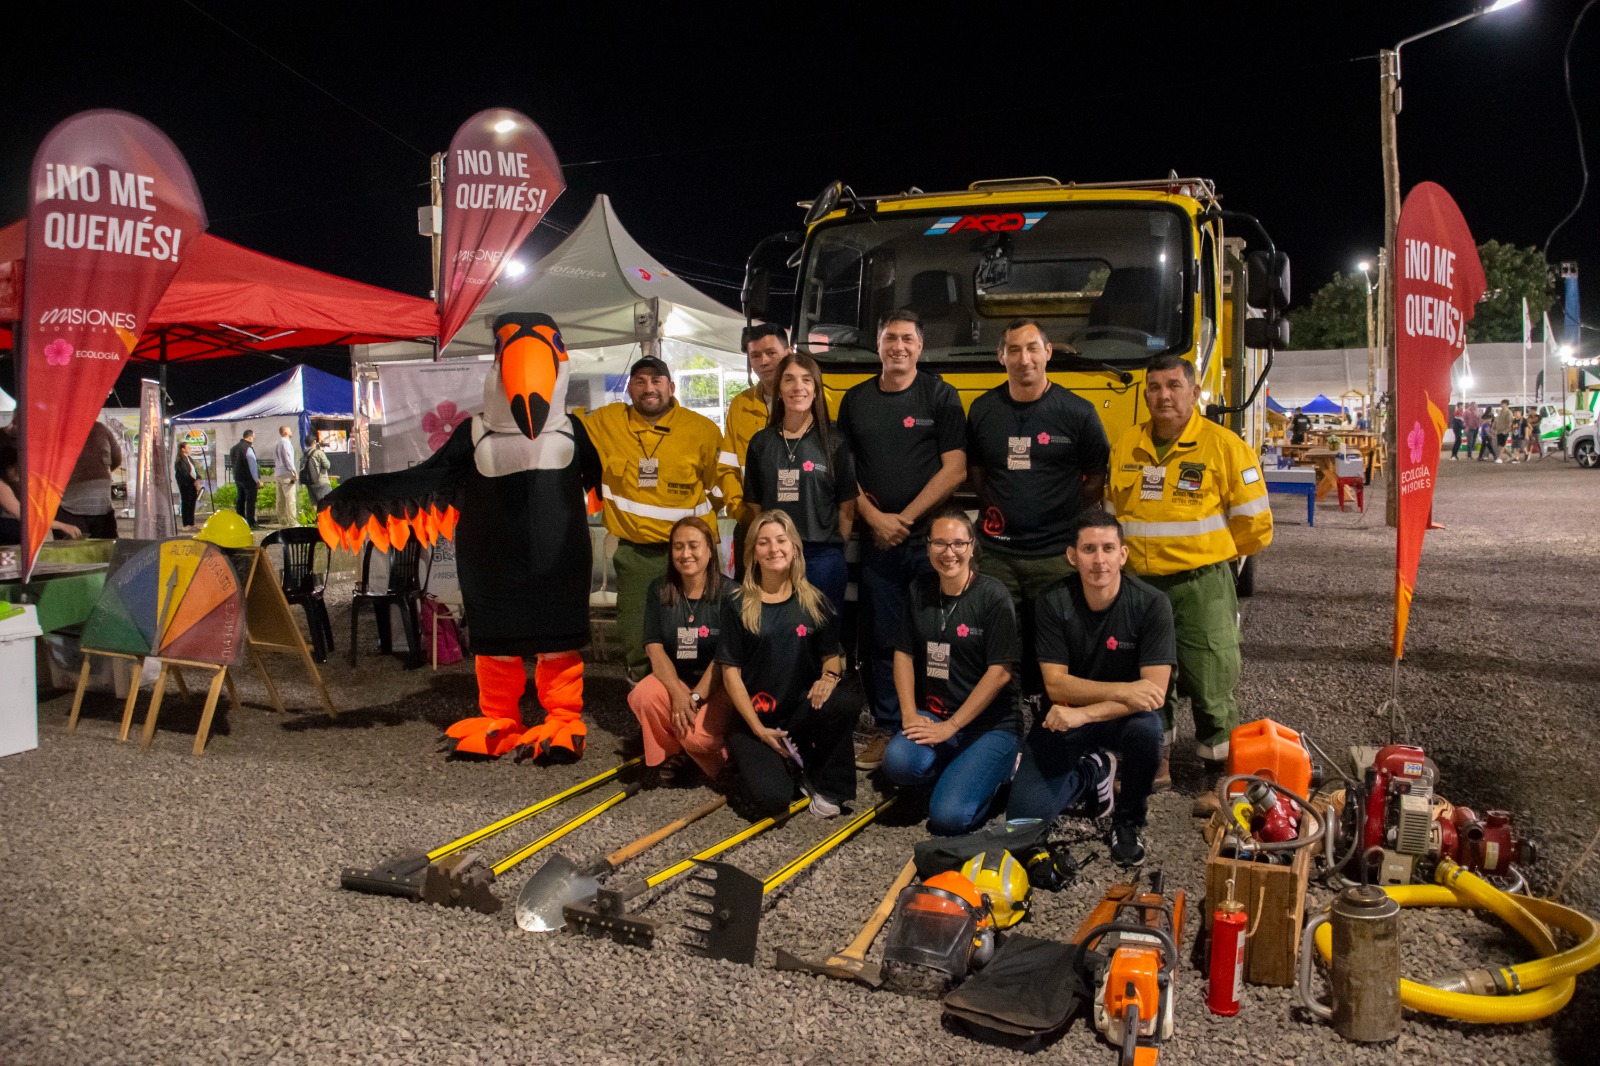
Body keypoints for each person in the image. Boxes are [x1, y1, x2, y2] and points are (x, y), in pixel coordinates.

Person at [1107, 353, 1272, 785]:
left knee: (1211, 676)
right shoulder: (1127, 445)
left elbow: (1255, 526)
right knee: (1147, 676)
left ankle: (1220, 775)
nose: (1163, 396)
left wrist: (1209, 555)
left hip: (1202, 584)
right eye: (1155, 387)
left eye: (1173, 386)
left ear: (1195, 392)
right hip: (1140, 585)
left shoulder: (1225, 448)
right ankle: (1155, 762)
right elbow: (1115, 511)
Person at [1008, 510, 1175, 868]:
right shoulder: (1053, 602)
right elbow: (1055, 684)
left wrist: (1083, 712)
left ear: (1123, 554)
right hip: (1062, 714)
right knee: (1021, 821)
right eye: (1088, 549)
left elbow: (1153, 693)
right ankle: (1093, 771)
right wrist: (1127, 691)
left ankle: (1128, 822)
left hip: (1097, 716)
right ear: (1072, 556)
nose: (1099, 560)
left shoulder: (1151, 604)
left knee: (1147, 731)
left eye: (1107, 548)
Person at [837, 309, 967, 770]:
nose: (898, 346)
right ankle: (889, 727)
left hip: (933, 546)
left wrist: (905, 520)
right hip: (880, 544)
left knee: (942, 633)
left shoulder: (941, 396)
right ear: (878, 344)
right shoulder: (854, 401)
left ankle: (946, 725)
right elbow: (844, 471)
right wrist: (875, 519)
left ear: (920, 346)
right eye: (890, 337)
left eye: (907, 339)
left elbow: (955, 468)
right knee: (883, 638)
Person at [967, 318, 1109, 705]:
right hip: (997, 555)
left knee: (1058, 651)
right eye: (1014, 350)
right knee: (999, 651)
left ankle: (1054, 732)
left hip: (1056, 556)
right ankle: (1003, 727)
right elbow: (977, 473)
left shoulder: (1078, 412)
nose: (1023, 358)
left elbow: (1096, 477)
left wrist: (1057, 511)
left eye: (1032, 348)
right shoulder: (983, 410)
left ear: (1048, 353)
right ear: (1001, 357)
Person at [882, 511, 1023, 835]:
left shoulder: (993, 596)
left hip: (989, 726)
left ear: (972, 547)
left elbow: (1000, 673)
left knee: (948, 818)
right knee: (898, 763)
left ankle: (1002, 769)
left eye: (959, 543)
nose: (949, 552)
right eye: (940, 543)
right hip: (936, 715)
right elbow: (903, 653)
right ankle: (958, 768)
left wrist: (953, 726)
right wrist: (907, 714)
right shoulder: (920, 590)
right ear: (928, 547)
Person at [585, 356, 723, 682]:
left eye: (656, 381)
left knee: (693, 630)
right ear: (629, 388)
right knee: (636, 632)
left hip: (689, 554)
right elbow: (561, 427)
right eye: (641, 381)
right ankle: (645, 695)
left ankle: (694, 692)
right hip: (635, 554)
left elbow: (719, 488)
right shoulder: (607, 422)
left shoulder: (701, 430)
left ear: (671, 387)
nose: (649, 388)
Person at [717, 510, 856, 819]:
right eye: (763, 543)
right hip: (754, 721)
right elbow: (730, 675)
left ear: (794, 548)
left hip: (799, 717)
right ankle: (771, 763)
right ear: (753, 553)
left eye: (781, 540)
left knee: (844, 697)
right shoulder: (737, 603)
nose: (773, 549)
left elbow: (831, 657)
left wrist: (829, 676)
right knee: (774, 798)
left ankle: (829, 785)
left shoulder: (815, 602)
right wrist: (757, 728)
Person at [742, 352, 856, 616]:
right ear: (779, 390)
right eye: (789, 379)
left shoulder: (835, 442)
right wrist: (773, 547)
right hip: (775, 555)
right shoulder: (761, 443)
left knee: (823, 639)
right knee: (778, 632)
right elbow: (755, 505)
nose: (798, 387)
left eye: (806, 380)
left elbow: (847, 508)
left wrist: (833, 547)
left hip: (822, 557)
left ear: (816, 390)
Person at [627, 516, 737, 785]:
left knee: (697, 737)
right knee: (643, 695)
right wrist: (678, 693)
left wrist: (695, 698)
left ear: (710, 550)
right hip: (677, 681)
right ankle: (675, 753)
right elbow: (654, 648)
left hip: (721, 685)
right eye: (678, 547)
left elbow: (724, 657)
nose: (685, 554)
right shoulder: (660, 589)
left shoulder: (731, 593)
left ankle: (719, 762)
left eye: (693, 546)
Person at [717, 323, 790, 575]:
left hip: (796, 527)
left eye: (771, 353)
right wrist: (741, 512)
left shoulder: (809, 398)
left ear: (789, 352)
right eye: (755, 355)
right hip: (751, 524)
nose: (764, 361)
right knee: (749, 601)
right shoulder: (741, 404)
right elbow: (727, 467)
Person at [1, 436, 81, 544]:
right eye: (17, 470)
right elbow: (23, 515)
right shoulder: (2, 486)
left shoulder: (23, 481)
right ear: (8, 468)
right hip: (8, 536)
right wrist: (62, 526)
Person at [56, 418, 122, 539]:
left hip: (103, 513)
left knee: (106, 554)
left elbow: (117, 458)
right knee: (75, 555)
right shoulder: (61, 431)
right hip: (70, 513)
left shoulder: (102, 430)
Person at [229, 430, 261, 527]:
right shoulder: (248, 448)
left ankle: (240, 521)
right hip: (248, 478)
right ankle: (251, 522)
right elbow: (252, 465)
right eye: (253, 438)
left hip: (238, 478)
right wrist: (257, 480)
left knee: (240, 499)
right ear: (250, 437)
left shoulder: (233, 449)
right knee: (250, 501)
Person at [272, 426, 298, 525]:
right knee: (290, 498)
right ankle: (292, 521)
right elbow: (288, 457)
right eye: (290, 430)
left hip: (278, 472)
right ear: (286, 432)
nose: (291, 431)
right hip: (286, 473)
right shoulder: (286, 442)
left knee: (280, 499)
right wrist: (293, 470)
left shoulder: (277, 443)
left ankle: (282, 520)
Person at [173, 441, 200, 530]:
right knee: (186, 503)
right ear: (183, 449)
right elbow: (184, 473)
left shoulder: (189, 458)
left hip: (192, 483)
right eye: (188, 448)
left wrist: (198, 478)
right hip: (185, 484)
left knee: (192, 503)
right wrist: (194, 481)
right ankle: (186, 524)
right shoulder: (180, 460)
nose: (190, 449)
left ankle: (191, 523)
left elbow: (194, 470)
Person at [302, 434, 333, 506]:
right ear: (314, 442)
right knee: (328, 503)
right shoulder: (319, 453)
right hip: (321, 482)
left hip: (310, 483)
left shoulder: (304, 453)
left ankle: (316, 517)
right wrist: (322, 452)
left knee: (315, 505)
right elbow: (327, 465)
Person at [1494, 400, 1513, 464]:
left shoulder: (1508, 412)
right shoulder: (1501, 412)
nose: (1501, 405)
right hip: (1499, 430)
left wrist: (1507, 430)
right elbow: (1497, 420)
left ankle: (1499, 457)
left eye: (1502, 403)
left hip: (1504, 431)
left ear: (1506, 404)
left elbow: (1510, 422)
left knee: (1501, 445)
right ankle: (1511, 456)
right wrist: (1494, 427)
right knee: (1501, 445)